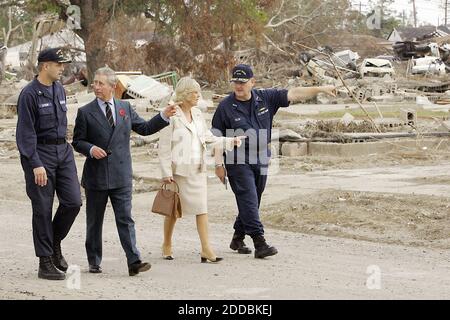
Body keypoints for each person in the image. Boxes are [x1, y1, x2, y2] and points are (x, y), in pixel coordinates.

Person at [212, 64, 336, 259]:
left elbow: (294, 93)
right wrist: (218, 165)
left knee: (254, 199)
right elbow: (217, 137)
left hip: (261, 156)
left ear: (252, 82)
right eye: (235, 82)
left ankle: (238, 236)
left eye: (243, 82)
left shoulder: (266, 98)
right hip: (237, 158)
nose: (238, 86)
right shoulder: (225, 107)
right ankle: (259, 243)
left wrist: (320, 89)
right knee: (248, 197)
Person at [72, 67, 177, 276]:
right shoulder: (85, 112)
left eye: (101, 84)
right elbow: (77, 141)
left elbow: (145, 129)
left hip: (121, 175)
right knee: (94, 222)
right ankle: (94, 260)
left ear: (113, 87)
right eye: (95, 83)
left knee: (125, 219)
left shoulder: (125, 108)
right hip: (96, 176)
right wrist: (90, 149)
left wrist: (163, 116)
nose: (96, 87)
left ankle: (133, 261)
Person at [158, 77, 244, 263]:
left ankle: (206, 249)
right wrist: (166, 174)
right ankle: (166, 243)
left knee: (202, 209)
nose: (198, 96)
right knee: (173, 211)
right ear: (185, 94)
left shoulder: (197, 114)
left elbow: (207, 138)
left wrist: (230, 141)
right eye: (195, 93)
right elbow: (164, 146)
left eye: (198, 92)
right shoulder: (171, 113)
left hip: (198, 169)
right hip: (178, 172)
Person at [16, 47, 82, 280]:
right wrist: (35, 163)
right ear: (46, 66)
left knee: (73, 201)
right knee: (42, 209)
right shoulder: (29, 94)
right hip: (40, 154)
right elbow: (24, 134)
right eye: (59, 64)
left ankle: (54, 243)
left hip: (62, 151)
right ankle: (45, 261)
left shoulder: (59, 89)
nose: (62, 68)